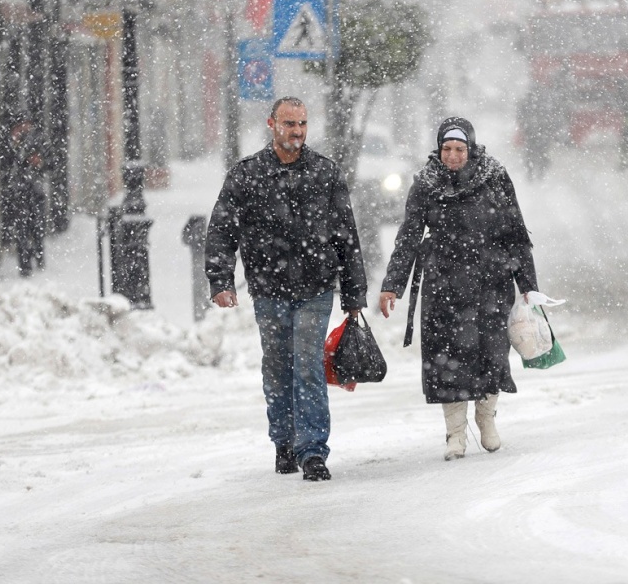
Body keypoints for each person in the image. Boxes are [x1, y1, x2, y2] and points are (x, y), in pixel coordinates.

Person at [205, 96, 367, 482]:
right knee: (277, 367)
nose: (297, 131)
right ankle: (284, 441)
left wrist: (353, 292)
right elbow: (221, 230)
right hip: (268, 288)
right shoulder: (247, 175)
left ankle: (312, 451)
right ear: (272, 124)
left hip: (315, 287)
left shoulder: (325, 173)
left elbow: (346, 234)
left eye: (302, 124)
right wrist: (220, 280)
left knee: (308, 365)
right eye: (289, 123)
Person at [378, 117, 538, 461]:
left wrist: (528, 285)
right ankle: (455, 434)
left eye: (459, 149)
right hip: (443, 284)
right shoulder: (425, 183)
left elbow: (515, 232)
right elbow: (408, 236)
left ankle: (486, 418)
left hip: (489, 281)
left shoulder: (494, 177)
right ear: (438, 150)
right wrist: (393, 285)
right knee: (446, 359)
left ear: (471, 149)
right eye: (447, 149)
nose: (452, 156)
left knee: (492, 353)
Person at [5, 112, 46, 277]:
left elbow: (46, 162)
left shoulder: (36, 140)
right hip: (19, 193)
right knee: (22, 229)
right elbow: (8, 165)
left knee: (36, 227)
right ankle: (25, 265)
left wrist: (38, 162)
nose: (24, 128)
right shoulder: (10, 143)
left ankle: (38, 256)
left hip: (34, 191)